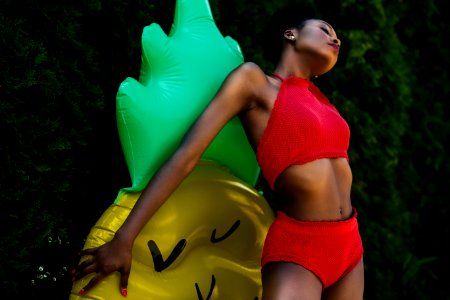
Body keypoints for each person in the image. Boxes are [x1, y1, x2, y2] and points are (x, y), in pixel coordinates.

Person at [71, 5, 364, 299]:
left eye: (337, 37)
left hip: (350, 244)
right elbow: (187, 155)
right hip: (300, 245)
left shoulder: (325, 104)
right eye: (326, 29)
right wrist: (124, 238)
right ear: (291, 34)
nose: (336, 39)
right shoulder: (255, 82)